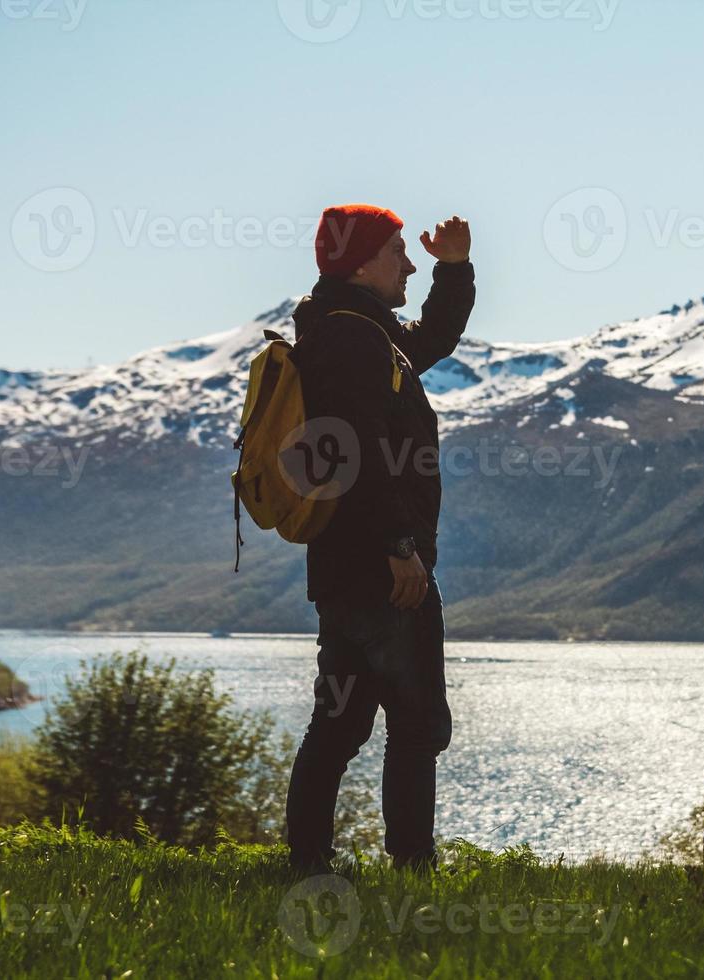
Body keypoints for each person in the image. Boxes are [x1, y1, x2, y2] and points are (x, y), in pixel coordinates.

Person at [284, 203, 475, 873]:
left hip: (346, 569)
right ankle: (411, 869)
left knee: (337, 727)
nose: (410, 263)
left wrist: (454, 272)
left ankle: (307, 862)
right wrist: (399, 547)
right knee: (414, 726)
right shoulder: (351, 341)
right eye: (400, 252)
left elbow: (429, 342)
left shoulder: (356, 332)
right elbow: (356, 450)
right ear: (363, 263)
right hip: (381, 569)